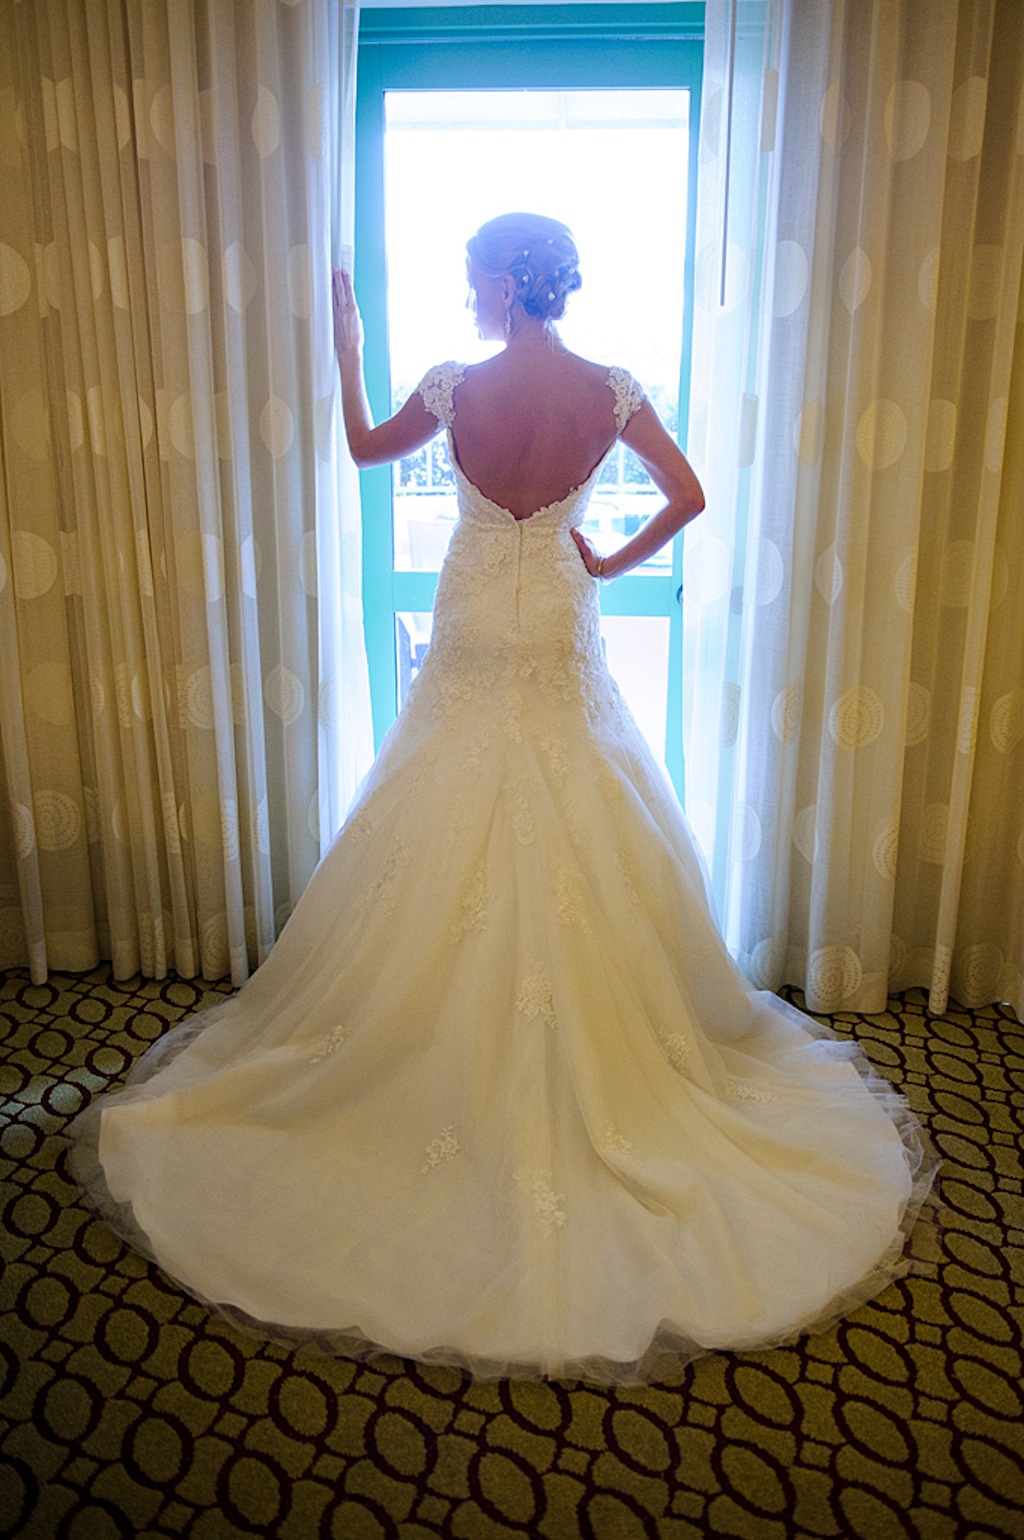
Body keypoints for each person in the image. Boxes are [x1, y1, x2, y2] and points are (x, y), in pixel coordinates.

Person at [69, 213, 934, 1384]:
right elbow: (684, 495)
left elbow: (370, 450)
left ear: (506, 280)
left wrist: (345, 347)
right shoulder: (611, 390)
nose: (466, 291)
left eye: (472, 274)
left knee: (438, 800)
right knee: (586, 801)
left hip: (476, 620)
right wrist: (609, 562)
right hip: (556, 623)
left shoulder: (451, 384)